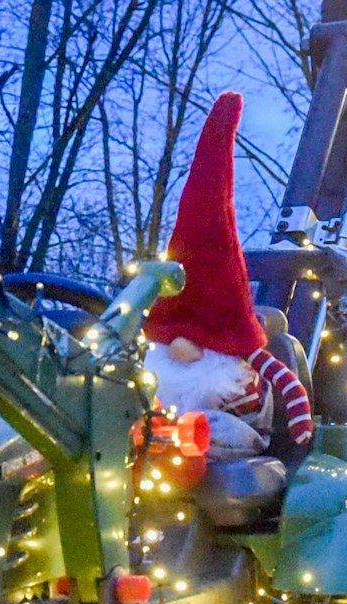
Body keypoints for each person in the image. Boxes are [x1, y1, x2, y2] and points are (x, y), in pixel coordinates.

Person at [142, 91, 312, 459]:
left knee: (211, 427)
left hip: (228, 429)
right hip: (169, 426)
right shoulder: (158, 350)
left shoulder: (239, 354)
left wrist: (300, 422)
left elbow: (288, 385)